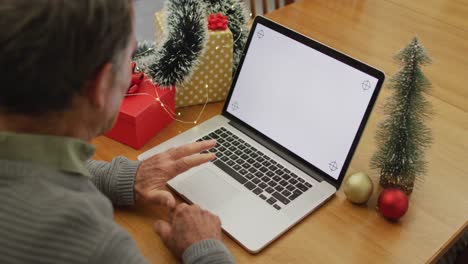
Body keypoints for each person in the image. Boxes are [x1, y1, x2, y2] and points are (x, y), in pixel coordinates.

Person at [0, 0, 234, 263]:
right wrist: (205, 248)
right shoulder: (96, 246)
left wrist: (123, 178)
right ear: (100, 85)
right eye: (130, 58)